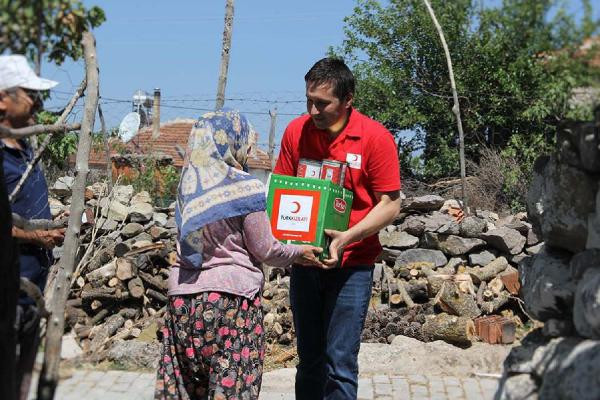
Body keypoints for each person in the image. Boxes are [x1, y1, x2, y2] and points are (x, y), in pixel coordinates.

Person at [155, 109, 323, 400]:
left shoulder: (188, 187)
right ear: (233, 142)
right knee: (231, 390)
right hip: (231, 306)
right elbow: (265, 248)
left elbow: (191, 248)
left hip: (182, 303)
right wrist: (299, 252)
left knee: (184, 391)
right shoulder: (245, 187)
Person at [274, 57, 402, 399]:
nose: (313, 111)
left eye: (322, 103)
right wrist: (292, 248)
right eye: (309, 101)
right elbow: (282, 193)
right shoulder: (295, 132)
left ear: (347, 100)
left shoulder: (375, 138)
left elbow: (390, 204)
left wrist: (347, 238)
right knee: (309, 363)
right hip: (305, 266)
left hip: (353, 268)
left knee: (340, 364)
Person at [0, 54, 66, 400]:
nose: (38, 104)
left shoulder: (26, 150)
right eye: (30, 95)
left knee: (21, 378)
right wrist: (34, 236)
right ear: (2, 99)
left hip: (33, 287)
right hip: (9, 286)